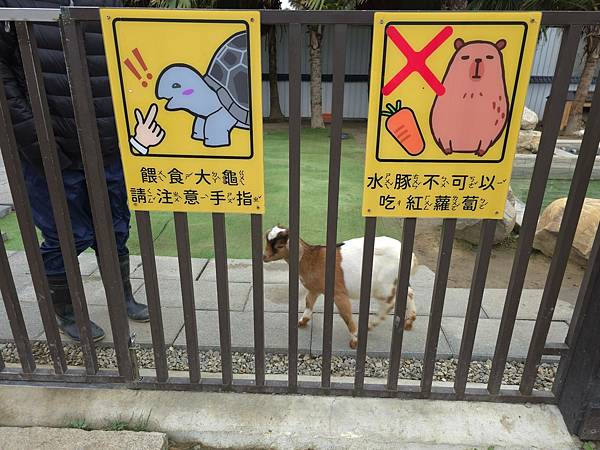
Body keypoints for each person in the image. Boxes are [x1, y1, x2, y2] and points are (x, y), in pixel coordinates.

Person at [0, 0, 149, 342]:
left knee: (114, 228)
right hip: (45, 149)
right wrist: (35, 137)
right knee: (64, 236)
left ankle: (122, 295)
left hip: (106, 145)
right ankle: (67, 311)